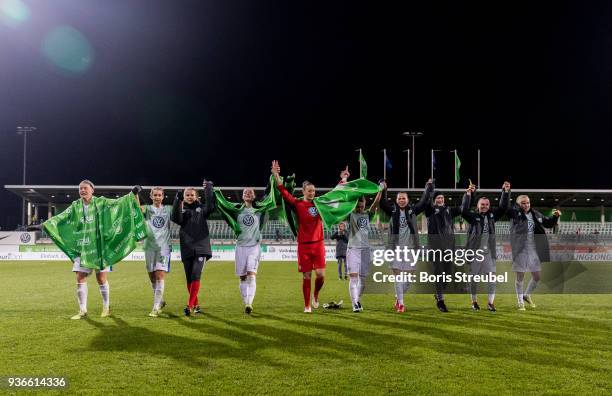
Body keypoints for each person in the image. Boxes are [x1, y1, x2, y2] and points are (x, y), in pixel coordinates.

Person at [39, 180, 145, 319]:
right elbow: (62, 217)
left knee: (101, 278)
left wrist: (132, 194)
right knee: (80, 277)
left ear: (92, 190)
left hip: (100, 247)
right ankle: (82, 310)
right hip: (82, 247)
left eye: (85, 188)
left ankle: (106, 307)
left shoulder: (101, 202)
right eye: (80, 188)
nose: (82, 190)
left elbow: (118, 204)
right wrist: (47, 224)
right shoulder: (75, 206)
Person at [215, 177, 277, 314]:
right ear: (242, 196)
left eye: (250, 192)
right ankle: (245, 302)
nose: (248, 194)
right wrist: (212, 191)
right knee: (242, 277)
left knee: (251, 274)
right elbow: (223, 205)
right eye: (245, 192)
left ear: (254, 196)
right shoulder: (237, 209)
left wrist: (273, 178)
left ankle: (249, 303)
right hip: (240, 246)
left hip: (254, 247)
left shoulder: (259, 209)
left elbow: (269, 196)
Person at [272, 160, 326, 313]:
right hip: (304, 245)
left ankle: (316, 294)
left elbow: (336, 195)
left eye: (313, 190)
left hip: (318, 244)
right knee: (306, 276)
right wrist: (276, 175)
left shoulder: (320, 204)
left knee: (321, 276)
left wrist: (343, 181)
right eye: (309, 191)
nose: (312, 193)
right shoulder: (298, 204)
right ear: (303, 191)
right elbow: (283, 192)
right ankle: (307, 305)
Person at [378, 179, 431, 313]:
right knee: (398, 276)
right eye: (399, 198)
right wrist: (384, 188)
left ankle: (398, 296)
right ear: (396, 200)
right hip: (395, 249)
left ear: (407, 200)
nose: (402, 200)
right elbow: (382, 203)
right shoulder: (393, 210)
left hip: (411, 249)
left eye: (404, 198)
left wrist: (428, 186)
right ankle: (401, 304)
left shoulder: (413, 210)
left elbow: (424, 202)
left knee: (409, 277)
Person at [461, 181, 511, 312]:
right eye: (482, 205)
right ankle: (474, 302)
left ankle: (490, 303)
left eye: (487, 205)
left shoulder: (492, 216)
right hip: (475, 253)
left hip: (489, 252)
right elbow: (463, 210)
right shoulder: (473, 216)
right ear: (478, 206)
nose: (484, 206)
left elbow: (503, 207)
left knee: (492, 278)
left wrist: (505, 192)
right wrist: (468, 194)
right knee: (473, 279)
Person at [506, 195, 560, 310]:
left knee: (537, 276)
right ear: (518, 204)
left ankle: (526, 295)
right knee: (520, 276)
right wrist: (506, 192)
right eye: (523, 203)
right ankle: (520, 301)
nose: (526, 205)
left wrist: (555, 217)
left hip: (534, 249)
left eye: (528, 203)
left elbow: (548, 223)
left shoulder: (535, 214)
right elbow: (505, 207)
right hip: (520, 249)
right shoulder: (514, 214)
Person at [172, 180, 216, 316]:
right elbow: (176, 218)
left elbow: (211, 206)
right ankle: (196, 304)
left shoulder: (202, 209)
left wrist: (208, 189)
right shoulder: (182, 209)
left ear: (196, 196)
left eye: (192, 195)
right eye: (187, 195)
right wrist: (177, 201)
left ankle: (189, 305)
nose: (190, 197)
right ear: (184, 196)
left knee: (196, 274)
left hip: (202, 247)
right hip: (186, 247)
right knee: (189, 279)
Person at [423, 181, 467, 312]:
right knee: (439, 274)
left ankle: (438, 294)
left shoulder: (449, 211)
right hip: (436, 249)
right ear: (434, 200)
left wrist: (468, 194)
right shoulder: (430, 210)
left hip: (449, 250)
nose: (440, 199)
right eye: (438, 198)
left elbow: (462, 208)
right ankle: (441, 301)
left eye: (442, 198)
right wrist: (429, 188)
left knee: (447, 274)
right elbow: (426, 202)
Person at [346, 191, 382, 312]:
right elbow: (345, 201)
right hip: (353, 249)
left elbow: (375, 203)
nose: (360, 208)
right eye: (357, 206)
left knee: (363, 279)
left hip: (365, 250)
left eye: (362, 206)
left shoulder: (368, 215)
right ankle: (354, 303)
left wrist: (380, 190)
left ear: (365, 204)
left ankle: (358, 299)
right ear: (354, 205)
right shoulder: (350, 214)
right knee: (354, 277)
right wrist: (345, 182)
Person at [141, 187, 172, 317]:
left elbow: (180, 212)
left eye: (160, 195)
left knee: (159, 275)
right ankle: (160, 301)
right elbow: (136, 209)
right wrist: (136, 194)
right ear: (151, 196)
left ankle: (155, 307)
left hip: (163, 247)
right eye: (155, 195)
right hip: (149, 246)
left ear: (163, 196)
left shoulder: (168, 209)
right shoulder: (147, 209)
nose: (158, 197)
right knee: (152, 277)